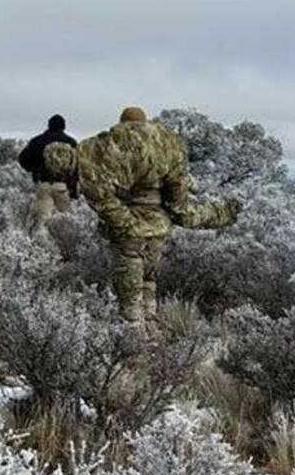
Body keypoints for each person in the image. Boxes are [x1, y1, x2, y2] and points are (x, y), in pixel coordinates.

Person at [74, 106, 242, 327]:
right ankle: (150, 322)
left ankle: (132, 329)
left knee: (129, 274)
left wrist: (123, 221)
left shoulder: (106, 145)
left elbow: (97, 190)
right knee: (149, 276)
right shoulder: (168, 143)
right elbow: (178, 201)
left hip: (126, 222)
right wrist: (223, 213)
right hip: (157, 223)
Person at [18, 114, 79, 233]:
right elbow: (77, 166)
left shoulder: (37, 141)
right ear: (63, 126)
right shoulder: (71, 142)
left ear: (49, 125)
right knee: (66, 222)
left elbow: (22, 159)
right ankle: (64, 246)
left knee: (42, 222)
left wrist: (34, 170)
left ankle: (42, 246)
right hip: (63, 187)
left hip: (43, 185)